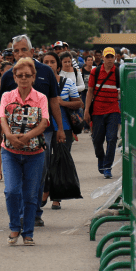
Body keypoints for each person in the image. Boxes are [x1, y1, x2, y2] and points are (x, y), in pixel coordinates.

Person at [0, 34, 65, 227]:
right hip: (14, 133)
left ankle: (35, 211)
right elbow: (2, 108)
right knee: (16, 175)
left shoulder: (45, 72)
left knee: (38, 172)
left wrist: (60, 128)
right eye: (16, 51)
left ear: (32, 51)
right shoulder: (9, 75)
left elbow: (54, 101)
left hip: (43, 130)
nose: (20, 54)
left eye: (23, 50)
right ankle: (21, 212)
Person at [0, 57, 49, 246]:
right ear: (15, 77)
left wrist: (27, 137)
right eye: (20, 75)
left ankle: (28, 233)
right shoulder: (7, 97)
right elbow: (2, 118)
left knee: (30, 194)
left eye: (28, 75)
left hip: (35, 153)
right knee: (11, 191)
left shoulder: (41, 98)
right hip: (10, 151)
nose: (24, 79)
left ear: (34, 77)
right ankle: (14, 227)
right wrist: (9, 136)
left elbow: (44, 122)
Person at [41, 51, 83, 209]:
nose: (49, 65)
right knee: (44, 162)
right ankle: (45, 189)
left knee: (58, 162)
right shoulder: (38, 83)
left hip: (63, 129)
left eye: (52, 62)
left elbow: (79, 103)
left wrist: (62, 103)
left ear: (58, 66)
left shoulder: (67, 83)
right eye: (46, 62)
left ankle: (56, 197)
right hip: (43, 128)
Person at [84, 47, 120, 179]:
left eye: (112, 57)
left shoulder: (118, 73)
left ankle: (107, 166)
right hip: (98, 111)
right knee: (97, 140)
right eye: (107, 56)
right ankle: (101, 158)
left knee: (112, 139)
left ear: (115, 58)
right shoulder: (96, 71)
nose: (110, 59)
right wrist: (87, 110)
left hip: (113, 110)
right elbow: (90, 91)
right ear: (103, 58)